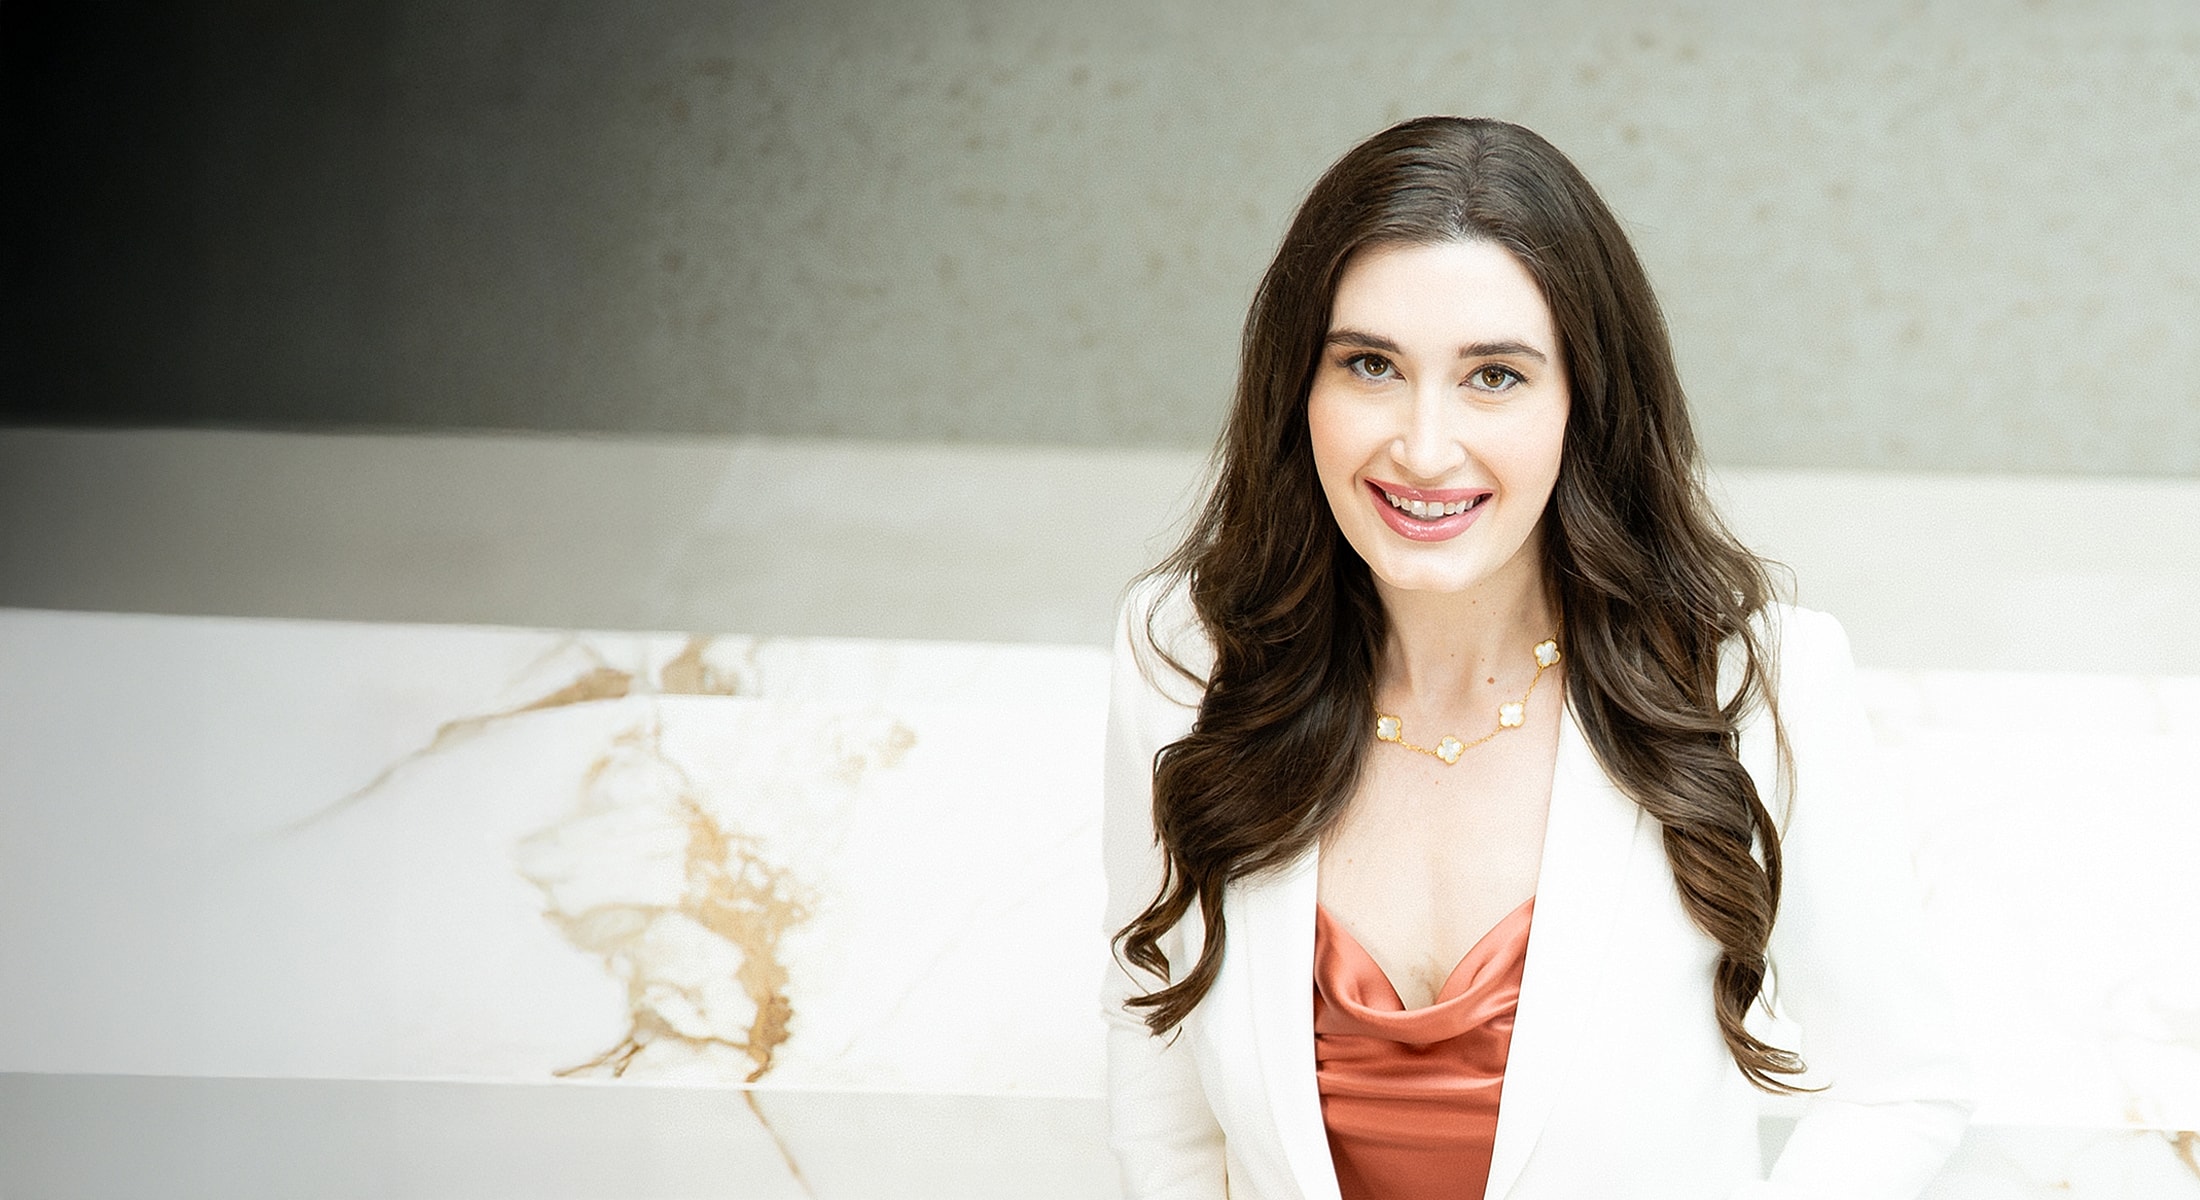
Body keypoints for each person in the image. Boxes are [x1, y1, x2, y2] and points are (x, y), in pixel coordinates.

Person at [1100, 116, 1973, 1200]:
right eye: (1369, 365)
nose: (1421, 447)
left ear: (1585, 401)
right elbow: (1165, 1095)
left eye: (1494, 377)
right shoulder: (1184, 663)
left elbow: (1895, 1090)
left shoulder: (1750, 680)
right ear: (1297, 388)